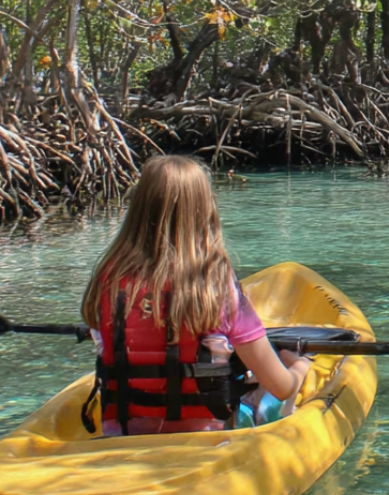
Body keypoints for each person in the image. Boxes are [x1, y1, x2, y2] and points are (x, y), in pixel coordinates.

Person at [80, 155, 310, 436]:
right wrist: (298, 368)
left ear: (138, 208)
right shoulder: (215, 284)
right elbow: (281, 386)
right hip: (201, 442)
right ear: (205, 210)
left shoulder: (108, 280)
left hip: (123, 437)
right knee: (267, 391)